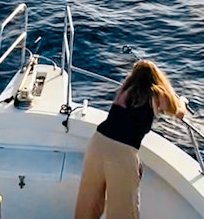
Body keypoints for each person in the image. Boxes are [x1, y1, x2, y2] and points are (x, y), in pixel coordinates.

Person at [74, 59, 187, 219]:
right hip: (121, 153)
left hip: (97, 143)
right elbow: (179, 112)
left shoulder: (125, 90)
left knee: (88, 204)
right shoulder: (156, 93)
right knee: (123, 211)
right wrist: (182, 100)